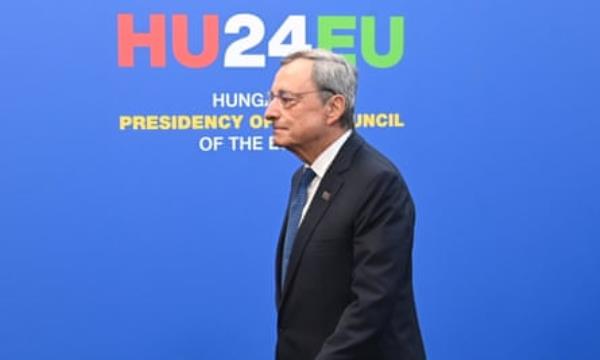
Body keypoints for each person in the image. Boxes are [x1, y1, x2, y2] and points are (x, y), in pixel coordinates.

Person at [265, 49, 426, 360]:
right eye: (272, 98)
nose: (270, 112)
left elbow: (371, 305)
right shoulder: (303, 178)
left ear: (333, 107)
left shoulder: (378, 183)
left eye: (287, 100)